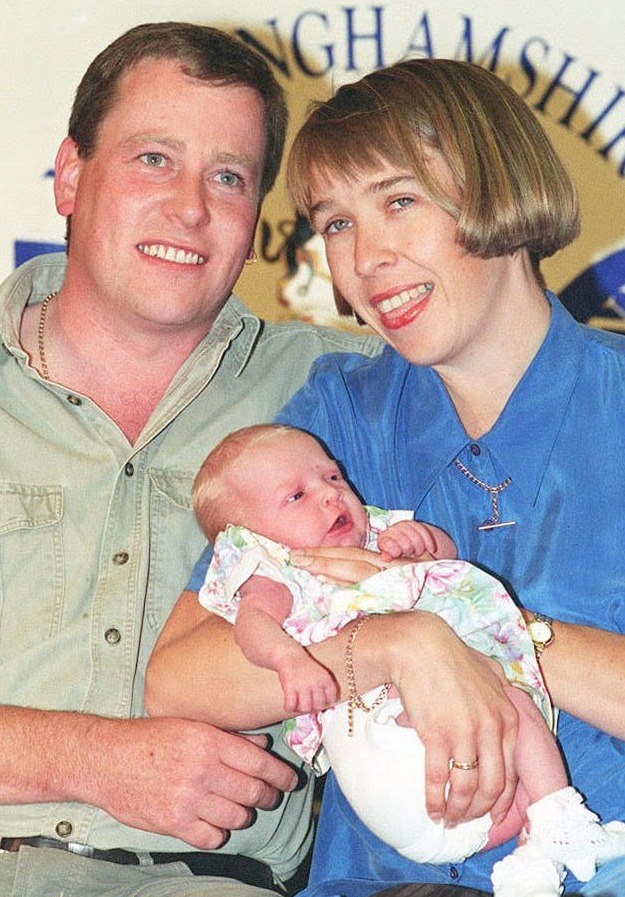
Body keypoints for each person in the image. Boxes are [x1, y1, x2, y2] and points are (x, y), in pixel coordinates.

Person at [145, 58, 625, 897]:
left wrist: (496, 633)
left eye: (398, 201)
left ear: (497, 190)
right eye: (334, 223)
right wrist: (397, 643)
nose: (365, 258)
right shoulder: (340, 417)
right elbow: (179, 677)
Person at [0, 20, 390, 897]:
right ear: (69, 174)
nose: (189, 206)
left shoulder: (342, 394)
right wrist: (94, 759)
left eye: (227, 176)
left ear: (256, 220)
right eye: (152, 159)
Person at [191, 423, 625, 897]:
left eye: (333, 478)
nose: (331, 496)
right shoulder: (275, 568)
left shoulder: (374, 534)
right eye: (296, 495)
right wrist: (288, 660)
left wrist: (423, 544)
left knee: (511, 711)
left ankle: (537, 854)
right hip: (392, 760)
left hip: (461, 800)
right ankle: (557, 815)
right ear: (248, 535)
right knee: (509, 700)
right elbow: (253, 627)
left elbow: (448, 567)